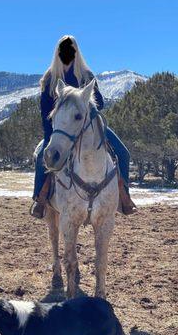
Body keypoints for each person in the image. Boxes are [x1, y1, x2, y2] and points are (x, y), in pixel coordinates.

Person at [31, 35, 136, 219]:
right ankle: (40, 198)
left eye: (71, 49)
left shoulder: (86, 75)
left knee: (123, 153)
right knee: (42, 156)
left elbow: (100, 103)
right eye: (63, 50)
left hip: (89, 128)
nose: (67, 53)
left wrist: (86, 101)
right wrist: (50, 136)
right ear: (58, 52)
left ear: (76, 51)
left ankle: (124, 197)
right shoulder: (50, 79)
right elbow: (45, 111)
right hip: (60, 130)